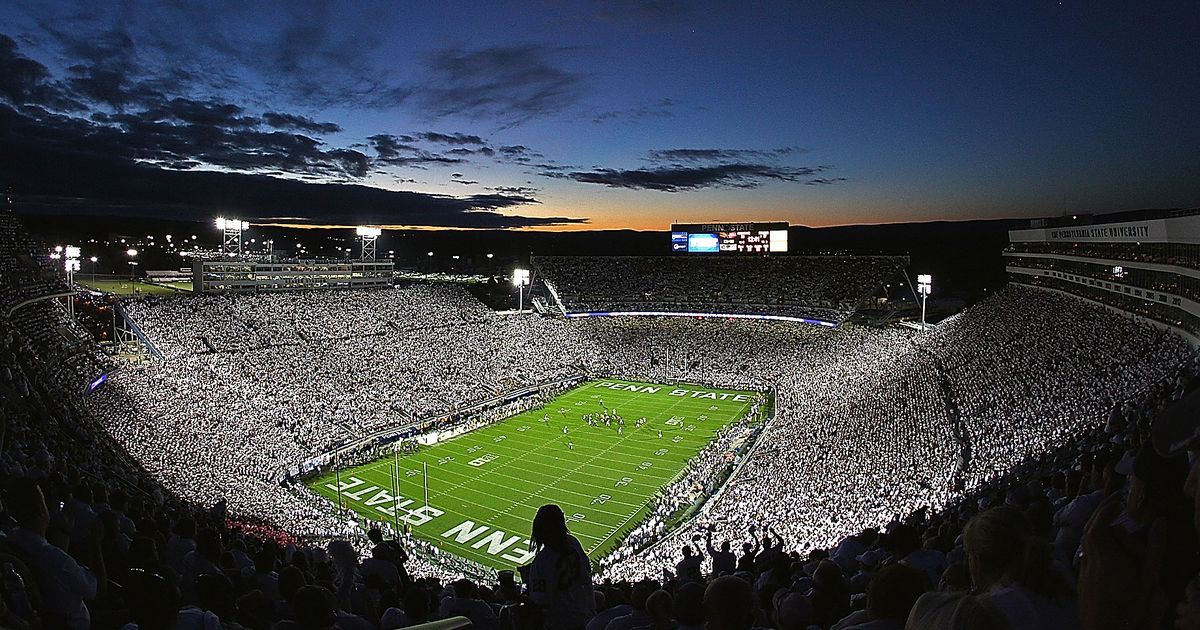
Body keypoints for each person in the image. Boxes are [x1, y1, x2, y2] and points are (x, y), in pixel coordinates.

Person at [4, 480, 99, 630]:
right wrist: (96, 543)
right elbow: (94, 590)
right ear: (41, 511)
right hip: (71, 623)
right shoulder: (55, 559)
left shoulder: (11, 537)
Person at [523, 504, 595, 630]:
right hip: (585, 615)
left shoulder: (542, 561)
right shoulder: (573, 542)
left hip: (562, 622)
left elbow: (540, 604)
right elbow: (586, 571)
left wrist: (525, 585)